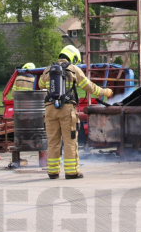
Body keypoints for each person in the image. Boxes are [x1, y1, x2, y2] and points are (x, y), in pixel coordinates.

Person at [38, 45, 112, 179]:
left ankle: (53, 172)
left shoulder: (48, 69)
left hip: (49, 109)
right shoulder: (73, 69)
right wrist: (104, 92)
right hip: (66, 109)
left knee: (53, 141)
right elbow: (88, 86)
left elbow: (40, 84)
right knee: (69, 140)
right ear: (73, 57)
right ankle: (71, 171)